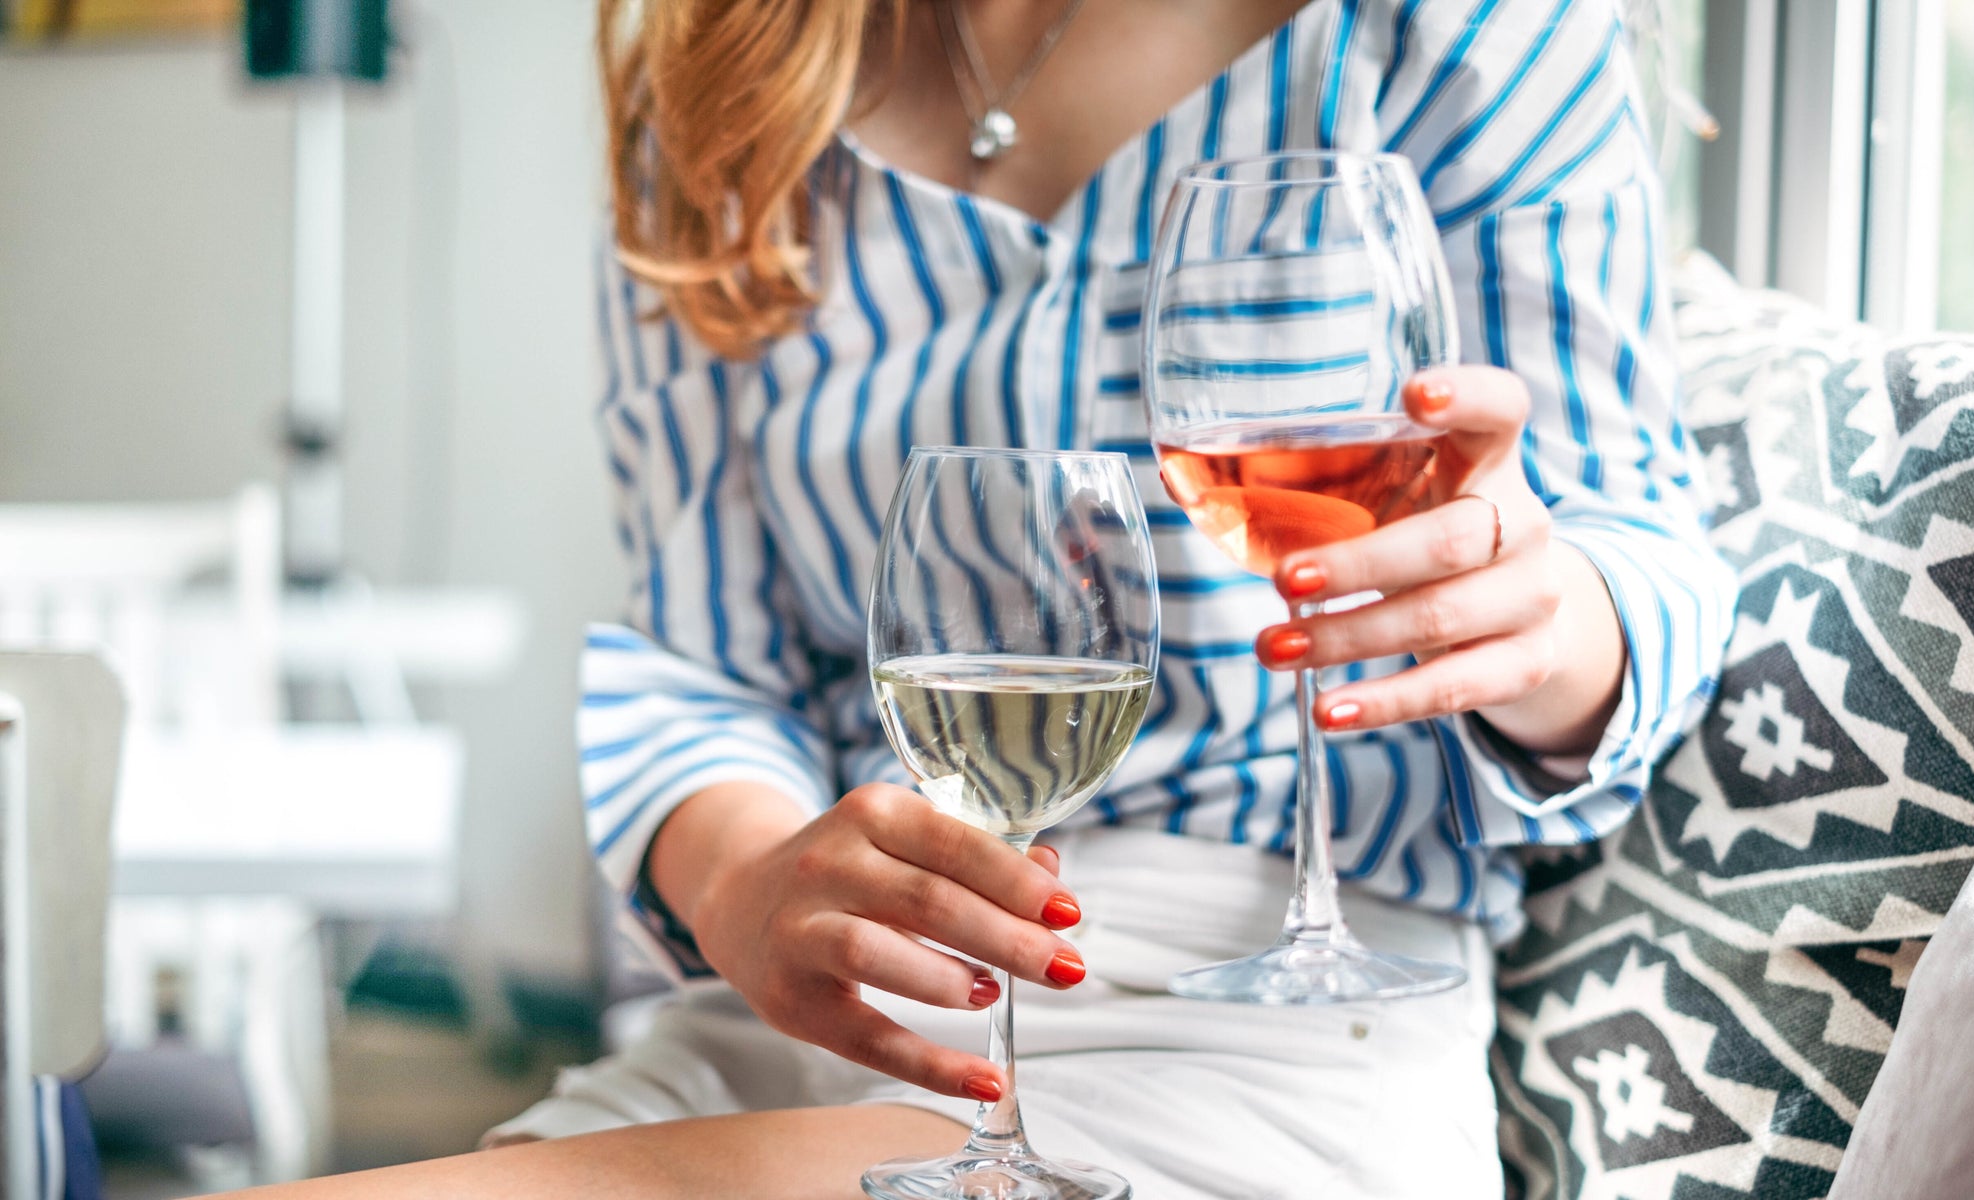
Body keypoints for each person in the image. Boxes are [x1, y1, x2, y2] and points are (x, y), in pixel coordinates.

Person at [232, 0, 1735, 1196]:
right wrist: (748, 879)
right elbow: (704, 657)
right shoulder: (724, 83)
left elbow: (1637, 544)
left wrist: (1551, 617)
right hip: (836, 1014)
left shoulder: (1463, 34)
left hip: (1254, 1035)